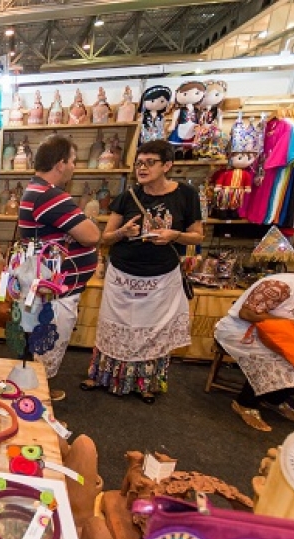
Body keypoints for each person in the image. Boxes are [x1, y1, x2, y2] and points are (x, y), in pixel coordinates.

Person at [81, 140, 203, 404]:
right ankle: (104, 376)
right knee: (115, 326)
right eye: (139, 163)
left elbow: (197, 235)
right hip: (123, 274)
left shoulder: (186, 195)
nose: (142, 168)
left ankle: (145, 383)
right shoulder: (128, 196)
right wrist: (123, 232)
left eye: (150, 162)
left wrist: (174, 235)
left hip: (161, 277)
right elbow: (106, 237)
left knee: (153, 330)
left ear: (167, 165)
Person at [18, 135, 100, 401]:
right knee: (47, 343)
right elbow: (91, 235)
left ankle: (37, 393)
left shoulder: (38, 191)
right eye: (73, 161)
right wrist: (86, 222)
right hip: (56, 289)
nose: (74, 167)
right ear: (61, 163)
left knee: (42, 343)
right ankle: (37, 400)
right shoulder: (49, 196)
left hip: (51, 285)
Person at [214, 269, 294, 430]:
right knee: (280, 359)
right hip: (242, 331)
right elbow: (246, 313)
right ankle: (245, 403)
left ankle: (273, 399)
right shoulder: (281, 286)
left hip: (286, 339)